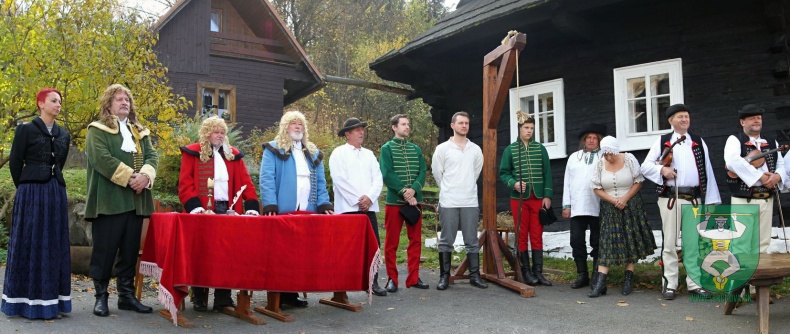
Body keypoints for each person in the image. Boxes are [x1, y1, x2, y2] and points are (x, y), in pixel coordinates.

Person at [85, 84, 157, 316]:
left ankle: (126, 296)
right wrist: (130, 178)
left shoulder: (140, 132)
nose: (124, 102)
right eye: (118, 99)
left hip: (135, 202)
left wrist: (145, 177)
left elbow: (152, 155)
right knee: (104, 251)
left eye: (127, 99)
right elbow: (101, 159)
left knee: (129, 251)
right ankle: (101, 296)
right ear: (108, 105)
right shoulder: (97, 130)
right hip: (109, 200)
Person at [1, 88, 71, 320]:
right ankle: (23, 303)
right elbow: (15, 163)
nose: (58, 105)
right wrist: (26, 187)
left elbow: (59, 162)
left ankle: (52, 303)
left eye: (60, 101)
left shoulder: (63, 134)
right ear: (41, 103)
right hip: (31, 192)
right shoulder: (25, 130)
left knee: (53, 243)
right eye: (53, 101)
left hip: (55, 192)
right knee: (30, 241)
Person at [178, 117, 260, 311]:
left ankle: (223, 297)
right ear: (207, 133)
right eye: (216, 132)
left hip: (229, 212)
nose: (220, 135)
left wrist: (251, 205)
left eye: (222, 132)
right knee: (202, 254)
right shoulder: (193, 153)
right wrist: (196, 207)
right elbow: (185, 183)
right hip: (202, 213)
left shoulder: (233, 156)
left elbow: (246, 182)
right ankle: (199, 297)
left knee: (228, 254)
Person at [640, 104, 721, 300]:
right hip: (670, 199)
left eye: (686, 116)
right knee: (669, 243)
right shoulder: (663, 142)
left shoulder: (699, 142)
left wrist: (710, 200)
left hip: (693, 199)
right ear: (671, 121)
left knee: (693, 244)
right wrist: (662, 170)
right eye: (680, 117)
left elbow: (707, 171)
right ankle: (670, 284)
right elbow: (645, 167)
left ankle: (694, 284)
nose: (684, 119)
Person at [259, 110, 333, 307]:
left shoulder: (312, 152)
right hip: (283, 209)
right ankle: (279, 296)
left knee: (300, 254)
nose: (297, 127)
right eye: (293, 123)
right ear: (286, 127)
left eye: (300, 124)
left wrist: (324, 204)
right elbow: (267, 179)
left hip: (308, 209)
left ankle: (292, 294)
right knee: (281, 254)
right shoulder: (273, 149)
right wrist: (270, 204)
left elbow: (320, 182)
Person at [589, 136, 657, 298]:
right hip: (609, 208)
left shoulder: (629, 159)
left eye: (610, 154)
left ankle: (628, 279)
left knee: (629, 240)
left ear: (616, 150)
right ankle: (600, 283)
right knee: (606, 243)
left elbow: (638, 181)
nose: (608, 157)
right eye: (605, 154)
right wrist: (613, 200)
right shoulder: (599, 164)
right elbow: (596, 188)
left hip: (630, 205)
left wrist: (624, 198)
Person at [329, 117, 387, 296]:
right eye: (357, 130)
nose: (361, 132)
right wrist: (357, 200)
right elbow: (339, 180)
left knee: (373, 246)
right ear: (347, 134)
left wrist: (369, 198)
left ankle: (373, 282)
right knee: (347, 248)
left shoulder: (369, 154)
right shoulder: (338, 153)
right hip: (348, 208)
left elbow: (378, 178)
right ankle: (342, 286)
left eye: (362, 129)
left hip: (368, 208)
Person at [432, 111, 487, 290]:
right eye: (461, 123)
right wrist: (448, 189)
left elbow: (476, 172)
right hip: (449, 200)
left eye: (467, 123)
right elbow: (437, 173)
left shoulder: (475, 150)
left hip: (469, 201)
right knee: (447, 239)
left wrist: (466, 186)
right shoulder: (442, 149)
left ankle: (474, 276)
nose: (464, 126)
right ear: (452, 125)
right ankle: (444, 277)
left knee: (472, 240)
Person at [498, 111, 553, 286]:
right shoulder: (510, 150)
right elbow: (504, 173)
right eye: (526, 128)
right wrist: (513, 183)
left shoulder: (540, 148)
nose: (529, 131)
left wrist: (547, 195)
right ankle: (525, 271)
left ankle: (538, 272)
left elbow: (547, 173)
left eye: (531, 128)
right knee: (522, 234)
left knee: (537, 234)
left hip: (537, 198)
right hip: (519, 198)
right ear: (520, 129)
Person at [724, 104, 784, 254]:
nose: (757, 121)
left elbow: (781, 163)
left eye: (759, 118)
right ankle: (743, 277)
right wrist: (760, 177)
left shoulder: (771, 142)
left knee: (763, 244)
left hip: (766, 198)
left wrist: (777, 176)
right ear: (742, 122)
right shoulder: (735, 140)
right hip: (744, 200)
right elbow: (732, 162)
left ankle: (762, 276)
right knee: (741, 243)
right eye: (752, 118)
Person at [380, 114, 429, 292]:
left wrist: (414, 189)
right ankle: (392, 278)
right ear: (394, 127)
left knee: (415, 240)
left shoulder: (416, 149)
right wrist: (404, 192)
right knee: (392, 242)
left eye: (408, 124)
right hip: (395, 202)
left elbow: (422, 171)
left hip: (415, 201)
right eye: (403, 124)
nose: (407, 127)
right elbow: (387, 174)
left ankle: (414, 278)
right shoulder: (386, 149)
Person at [562, 123, 606, 289]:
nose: (591, 140)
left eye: (595, 138)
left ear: (599, 140)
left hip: (598, 206)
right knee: (576, 241)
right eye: (588, 138)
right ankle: (582, 275)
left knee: (597, 241)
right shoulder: (574, 157)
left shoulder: (604, 156)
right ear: (584, 140)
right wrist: (567, 205)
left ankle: (597, 275)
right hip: (577, 206)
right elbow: (567, 182)